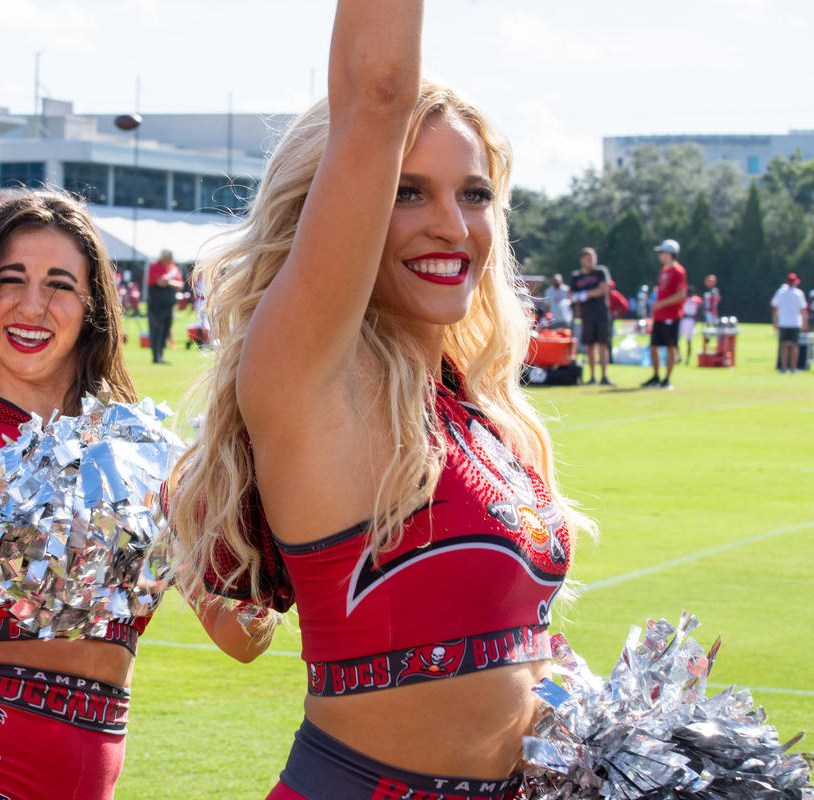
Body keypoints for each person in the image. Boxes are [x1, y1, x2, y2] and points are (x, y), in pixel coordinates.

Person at [168, 4, 593, 798]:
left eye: (473, 194)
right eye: (405, 193)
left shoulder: (480, 415)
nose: (450, 225)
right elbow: (378, 90)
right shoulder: (313, 380)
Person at [0, 191, 270, 800]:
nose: (32, 305)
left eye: (59, 285)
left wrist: (253, 515)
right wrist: (6, 516)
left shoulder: (146, 453)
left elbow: (241, 637)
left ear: (92, 309)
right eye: (10, 279)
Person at [642, 239, 686, 389]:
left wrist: (662, 303)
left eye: (662, 252)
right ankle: (655, 376)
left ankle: (666, 379)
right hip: (659, 316)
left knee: (670, 347)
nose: (659, 255)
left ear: (670, 253)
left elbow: (681, 294)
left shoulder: (678, 271)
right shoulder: (664, 271)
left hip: (671, 316)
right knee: (653, 346)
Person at [568, 247, 612, 385]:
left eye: (593, 258)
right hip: (586, 316)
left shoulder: (600, 272)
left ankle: (604, 376)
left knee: (603, 345)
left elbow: (603, 289)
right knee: (590, 347)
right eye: (588, 259)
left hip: (601, 314)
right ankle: (592, 376)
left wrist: (585, 294)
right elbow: (570, 294)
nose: (591, 261)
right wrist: (576, 297)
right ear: (582, 260)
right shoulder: (576, 276)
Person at [146, 249, 183, 364]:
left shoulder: (173, 268)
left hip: (169, 305)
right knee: (156, 330)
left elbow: (180, 285)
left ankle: (161, 354)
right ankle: (156, 356)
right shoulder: (155, 266)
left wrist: (169, 282)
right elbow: (159, 282)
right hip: (156, 306)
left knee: (166, 330)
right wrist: (170, 282)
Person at [771, 273, 807, 374]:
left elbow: (775, 308)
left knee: (783, 345)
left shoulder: (780, 292)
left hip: (783, 322)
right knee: (794, 345)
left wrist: (774, 322)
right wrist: (805, 322)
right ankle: (793, 368)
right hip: (795, 322)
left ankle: (783, 367)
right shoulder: (799, 293)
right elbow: (803, 310)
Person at [679, 286, 701, 365]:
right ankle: (685, 358)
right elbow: (697, 312)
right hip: (690, 320)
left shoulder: (683, 300)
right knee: (688, 341)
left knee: (680, 340)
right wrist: (696, 321)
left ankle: (680, 357)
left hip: (684, 320)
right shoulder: (695, 300)